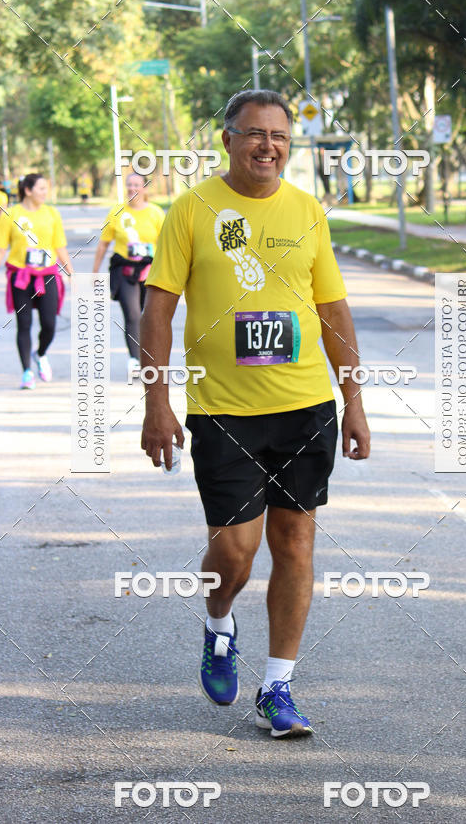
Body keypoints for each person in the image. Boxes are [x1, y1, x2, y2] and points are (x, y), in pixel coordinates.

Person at [140, 90, 370, 739]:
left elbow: (333, 312)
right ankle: (219, 624)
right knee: (235, 552)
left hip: (305, 408)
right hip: (223, 412)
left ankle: (278, 686)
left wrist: (354, 402)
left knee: (296, 543)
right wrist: (157, 402)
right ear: (228, 139)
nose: (268, 145)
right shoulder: (192, 209)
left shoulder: (307, 211)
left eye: (280, 137)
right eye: (255, 134)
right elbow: (158, 309)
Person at [0, 173, 73, 389]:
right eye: (41, 189)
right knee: (24, 324)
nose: (46, 193)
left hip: (48, 275)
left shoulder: (52, 213)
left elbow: (59, 245)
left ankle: (40, 354)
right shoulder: (11, 214)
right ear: (28, 190)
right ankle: (26, 372)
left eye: (46, 189)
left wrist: (71, 273)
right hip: (21, 277)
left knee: (50, 324)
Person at [93, 172, 164, 379]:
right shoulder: (116, 212)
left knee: (148, 316)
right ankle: (134, 360)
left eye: (137, 185)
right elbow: (104, 244)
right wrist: (95, 271)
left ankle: (148, 356)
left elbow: (167, 244)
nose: (132, 188)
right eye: (129, 185)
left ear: (145, 188)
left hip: (150, 270)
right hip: (124, 270)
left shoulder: (156, 213)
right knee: (132, 314)